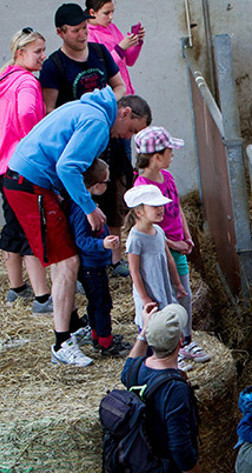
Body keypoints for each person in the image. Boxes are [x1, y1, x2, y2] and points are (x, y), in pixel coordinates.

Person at [2, 85, 150, 367]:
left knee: (66, 255)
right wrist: (89, 207)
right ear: (126, 112)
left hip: (30, 181)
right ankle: (61, 343)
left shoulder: (88, 109)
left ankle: (72, 325)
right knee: (68, 261)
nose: (128, 137)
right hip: (28, 184)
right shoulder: (96, 121)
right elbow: (68, 167)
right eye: (132, 129)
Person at [42, 3, 131, 276]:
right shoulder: (53, 65)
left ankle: (115, 259)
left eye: (84, 28)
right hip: (78, 145)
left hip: (109, 135)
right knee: (81, 202)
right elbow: (50, 112)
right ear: (60, 32)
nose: (83, 35)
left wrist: (104, 105)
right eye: (76, 31)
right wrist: (84, 116)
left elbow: (120, 85)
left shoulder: (100, 52)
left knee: (116, 193)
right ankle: (85, 261)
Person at [134, 126, 210, 365]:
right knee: (165, 298)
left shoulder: (168, 178)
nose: (173, 155)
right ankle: (169, 348)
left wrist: (187, 237)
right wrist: (174, 243)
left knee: (183, 294)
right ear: (156, 157)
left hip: (177, 248)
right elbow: (150, 230)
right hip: (160, 252)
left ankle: (186, 340)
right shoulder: (142, 188)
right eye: (169, 151)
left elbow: (178, 210)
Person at [122, 302, 204, 473]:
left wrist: (143, 333)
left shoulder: (135, 371)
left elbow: (130, 363)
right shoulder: (175, 389)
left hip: (144, 468)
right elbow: (180, 448)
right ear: (180, 342)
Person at [0, 27, 52, 313]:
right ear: (20, 53)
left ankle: (16, 289)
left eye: (43, 50)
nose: (43, 56)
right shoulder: (27, 82)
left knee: (12, 224)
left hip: (2, 164)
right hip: (21, 164)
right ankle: (43, 298)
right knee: (31, 227)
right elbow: (26, 115)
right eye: (37, 51)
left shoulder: (4, 77)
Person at [67, 158, 130, 356]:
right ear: (96, 185)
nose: (108, 185)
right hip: (90, 266)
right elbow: (82, 240)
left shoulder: (87, 203)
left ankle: (98, 336)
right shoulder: (81, 210)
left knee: (96, 302)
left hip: (95, 264)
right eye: (106, 182)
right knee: (102, 303)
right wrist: (102, 244)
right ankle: (105, 342)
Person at [124, 184, 188, 365]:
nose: (161, 209)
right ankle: (152, 363)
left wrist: (177, 284)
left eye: (161, 205)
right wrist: (144, 298)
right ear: (139, 212)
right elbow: (134, 271)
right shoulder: (135, 238)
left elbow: (168, 259)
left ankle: (172, 357)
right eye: (155, 206)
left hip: (163, 288)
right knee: (152, 328)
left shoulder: (159, 231)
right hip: (150, 292)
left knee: (168, 323)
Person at [86, 0, 144, 96]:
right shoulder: (89, 35)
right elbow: (100, 69)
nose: (111, 17)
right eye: (106, 13)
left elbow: (130, 61)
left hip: (126, 92)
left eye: (112, 12)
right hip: (109, 96)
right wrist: (120, 48)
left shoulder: (112, 28)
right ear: (92, 12)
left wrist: (137, 42)